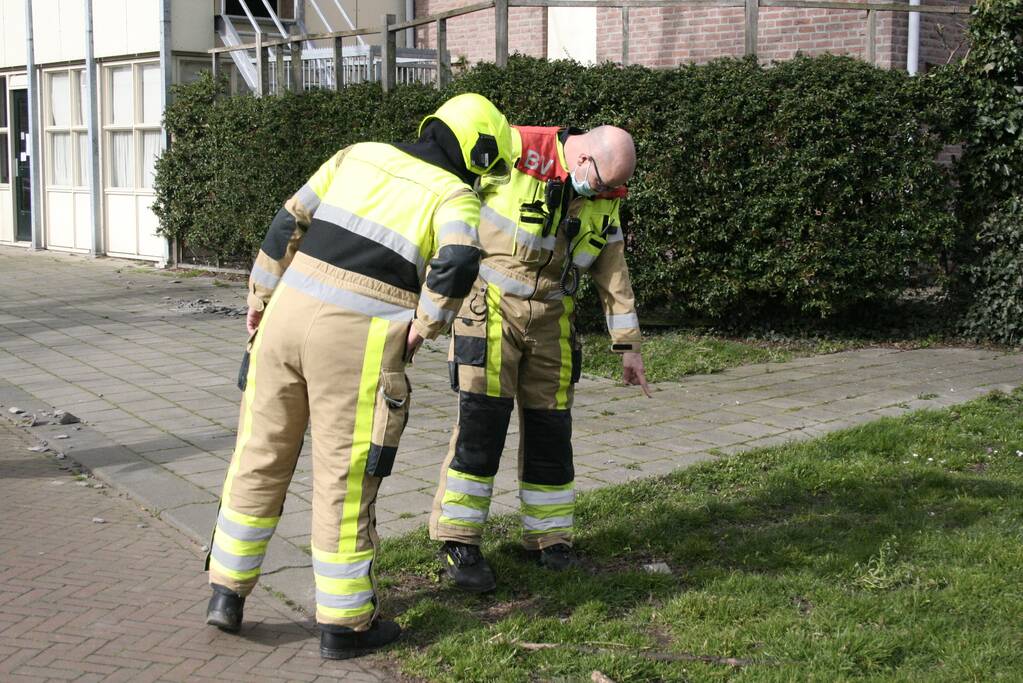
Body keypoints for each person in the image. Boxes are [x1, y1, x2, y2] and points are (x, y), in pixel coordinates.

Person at [203, 93, 513, 659]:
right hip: (360, 338)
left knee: (258, 452)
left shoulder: (356, 154)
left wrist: (261, 295)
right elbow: (460, 260)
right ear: (479, 153)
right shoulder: (455, 195)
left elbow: (286, 223)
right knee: (344, 480)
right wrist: (425, 326)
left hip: (286, 314)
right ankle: (344, 626)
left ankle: (225, 592)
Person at [428, 124, 650, 592]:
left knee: (552, 430)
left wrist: (628, 348)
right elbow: (447, 194)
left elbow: (614, 276)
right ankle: (458, 540)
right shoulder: (515, 151)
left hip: (553, 318)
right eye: (604, 182)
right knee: (480, 423)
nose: (607, 192)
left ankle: (550, 539)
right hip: (487, 308)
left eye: (613, 187)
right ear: (584, 158)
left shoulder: (604, 197)